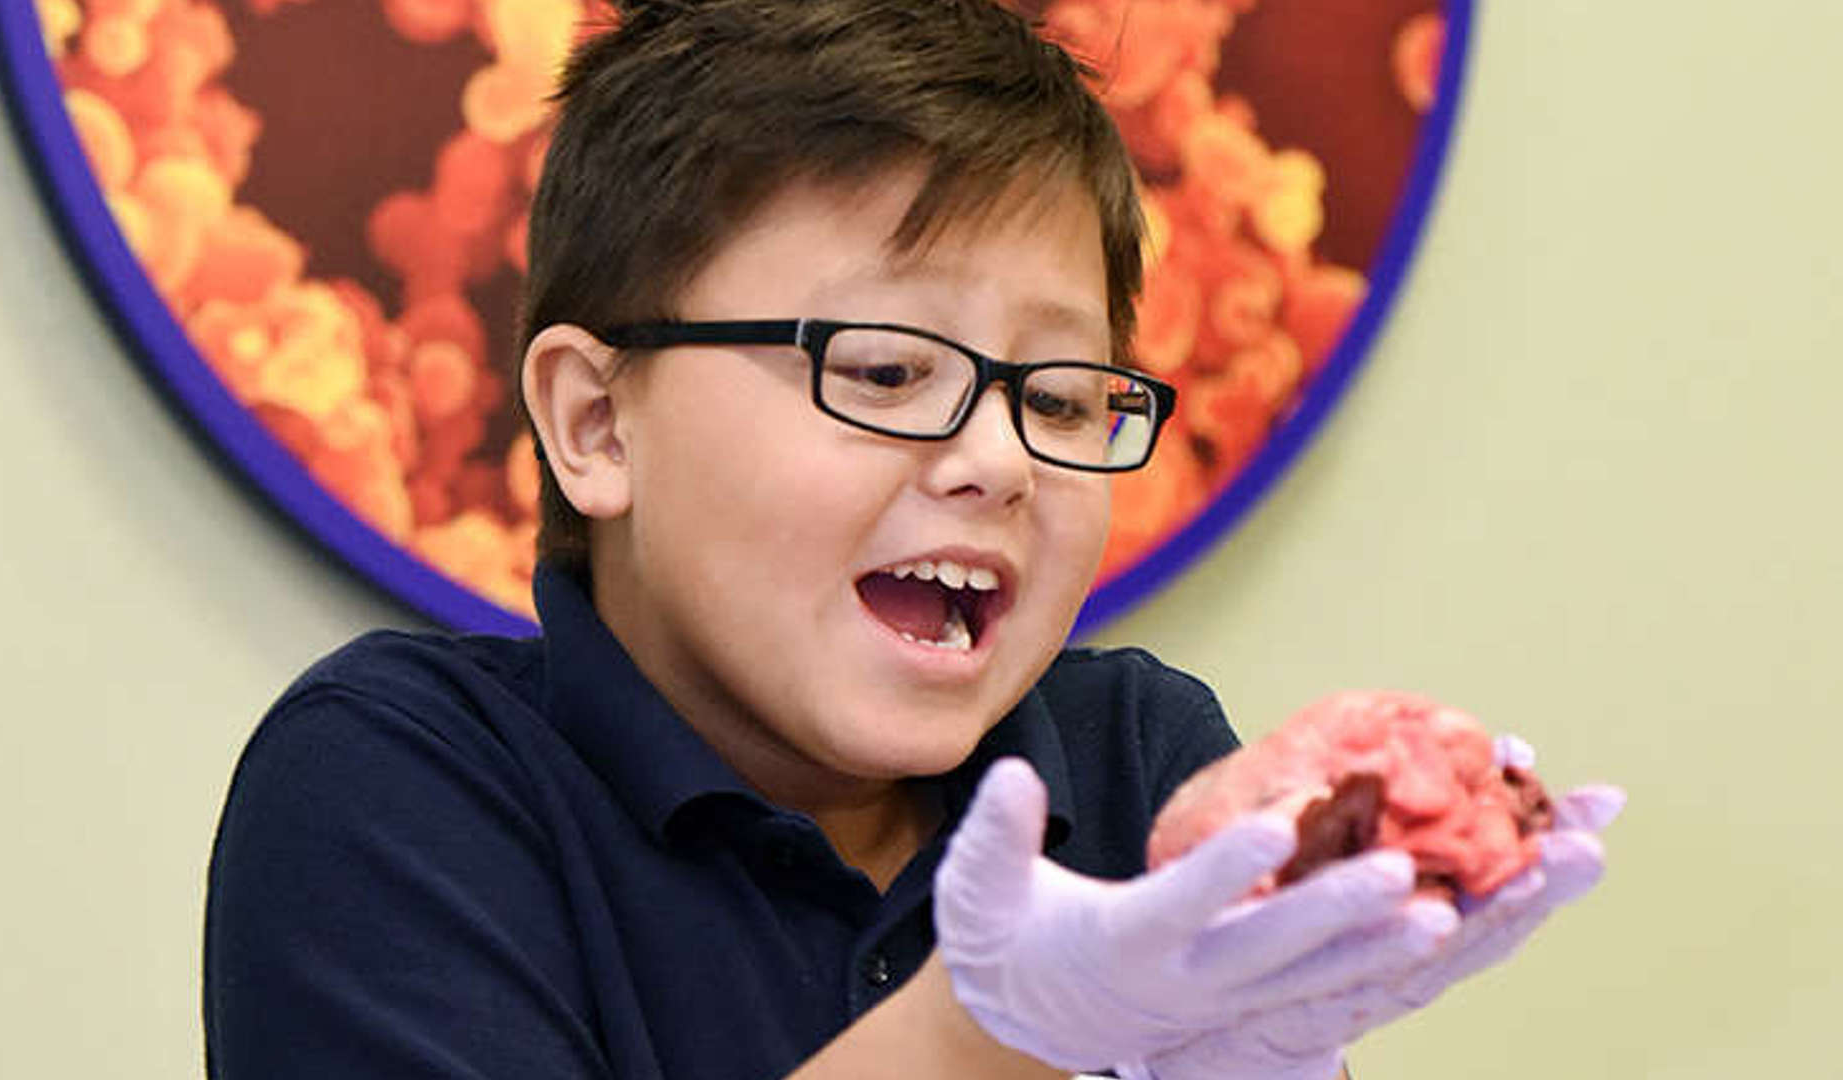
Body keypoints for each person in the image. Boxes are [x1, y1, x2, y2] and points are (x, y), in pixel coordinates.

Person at [203, 2, 1621, 1078]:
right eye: (884, 373)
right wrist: (998, 1028)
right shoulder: (398, 781)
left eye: (1064, 394)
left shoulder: (1134, 761)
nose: (1000, 458)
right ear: (595, 422)